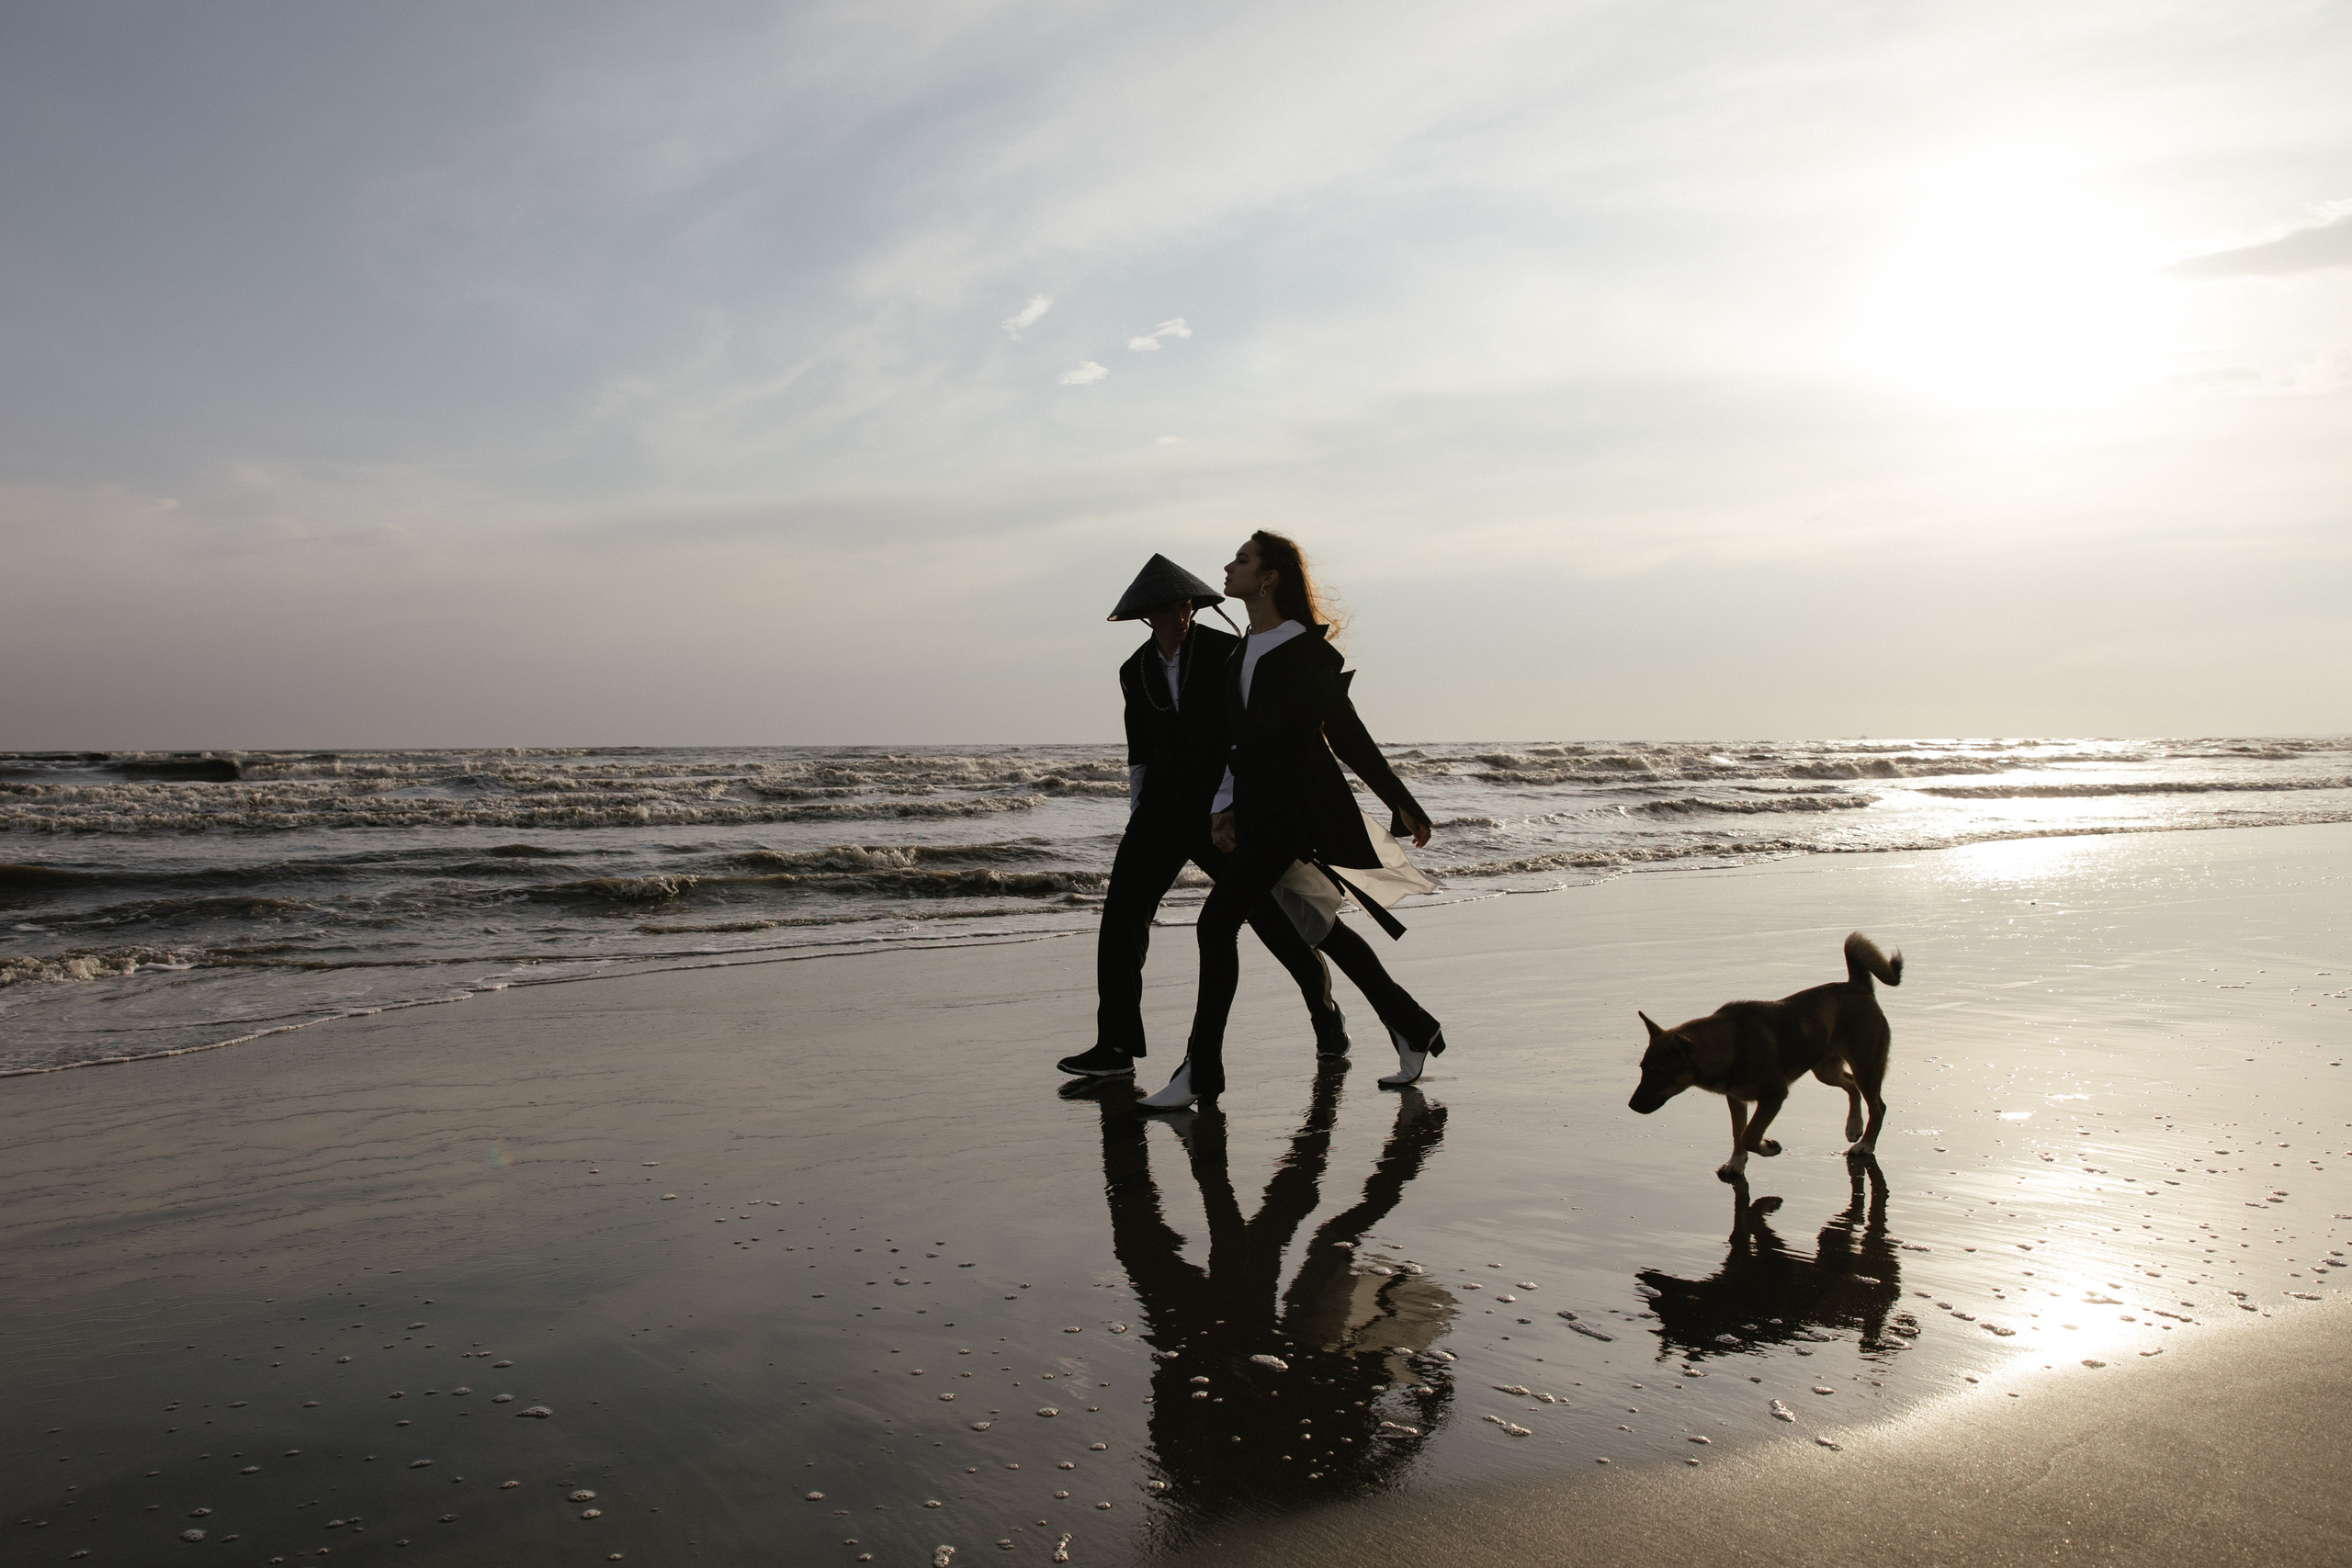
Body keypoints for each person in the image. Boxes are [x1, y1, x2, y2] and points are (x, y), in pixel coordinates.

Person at [1140, 531, 1446, 1109]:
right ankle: (1413, 1024)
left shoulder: (1303, 648)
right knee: (1319, 927)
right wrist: (1223, 808)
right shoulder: (1241, 650)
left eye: (1242, 560)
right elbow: (1237, 743)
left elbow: (1345, 729)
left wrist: (1399, 799)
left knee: (1215, 924)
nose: (1229, 568)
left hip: (1294, 812)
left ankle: (1201, 1069)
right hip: (1256, 812)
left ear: (1270, 576)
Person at [1057, 554, 1354, 1078]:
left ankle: (1324, 1012)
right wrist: (1138, 818)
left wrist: (1230, 805)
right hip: (1159, 813)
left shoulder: (1224, 653)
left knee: (1267, 917)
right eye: (1169, 609)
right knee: (1122, 916)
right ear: (1148, 615)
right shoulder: (1134, 670)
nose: (1180, 616)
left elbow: (1245, 737)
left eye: (1186, 605)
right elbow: (1140, 753)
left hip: (1222, 810)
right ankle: (1117, 1048)